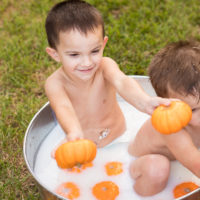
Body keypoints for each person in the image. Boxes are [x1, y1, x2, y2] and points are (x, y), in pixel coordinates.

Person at [44, 0, 170, 148]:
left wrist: (145, 101)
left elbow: (122, 82)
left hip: (122, 136)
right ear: (55, 54)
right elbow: (63, 108)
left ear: (103, 44)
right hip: (84, 146)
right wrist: (74, 132)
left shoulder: (105, 66)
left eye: (95, 51)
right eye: (74, 55)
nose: (87, 62)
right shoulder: (55, 83)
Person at [128, 40, 200, 196]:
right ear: (166, 105)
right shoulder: (172, 130)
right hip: (141, 164)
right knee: (157, 169)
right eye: (194, 110)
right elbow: (196, 165)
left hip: (179, 158)